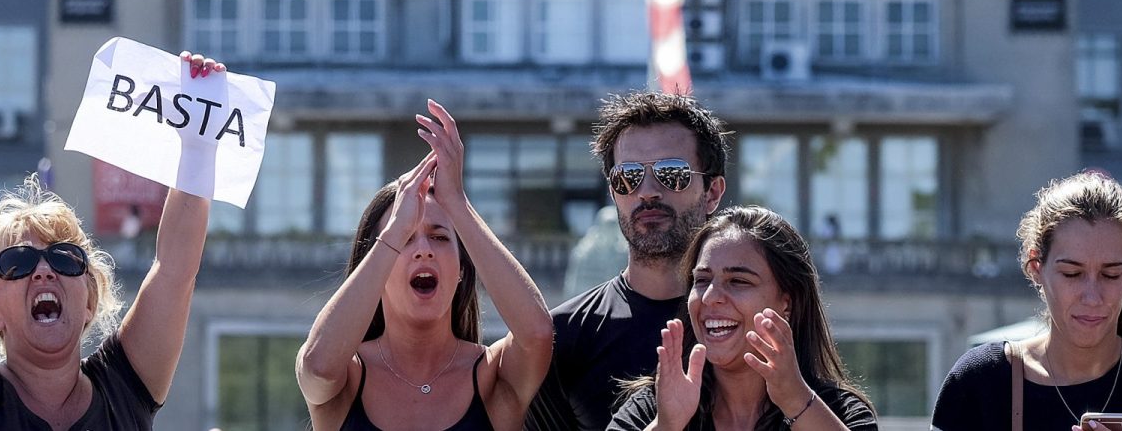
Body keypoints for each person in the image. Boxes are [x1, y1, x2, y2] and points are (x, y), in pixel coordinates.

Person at [0, 51, 225, 431]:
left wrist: (199, 144)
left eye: (65, 258)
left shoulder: (124, 389)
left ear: (90, 300)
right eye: (18, 262)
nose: (43, 270)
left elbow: (175, 269)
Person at [296, 99, 556, 431]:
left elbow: (537, 333)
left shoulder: (491, 375)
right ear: (374, 269)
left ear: (462, 269)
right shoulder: (348, 376)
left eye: (439, 237)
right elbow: (316, 368)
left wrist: (457, 203)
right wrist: (392, 232)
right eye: (405, 239)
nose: (423, 251)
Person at [526, 92, 730, 431]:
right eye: (628, 177)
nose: (647, 191)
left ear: (712, 192)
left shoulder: (745, 323)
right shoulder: (566, 336)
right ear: (613, 193)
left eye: (671, 173)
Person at [606, 206, 875, 431]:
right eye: (702, 280)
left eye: (738, 281)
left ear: (787, 302)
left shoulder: (839, 412)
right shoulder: (654, 407)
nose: (711, 297)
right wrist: (666, 427)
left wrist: (796, 401)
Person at [932, 171, 1122, 430]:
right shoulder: (981, 382)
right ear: (1036, 266)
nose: (1092, 297)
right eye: (1072, 274)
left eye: (1111, 275)